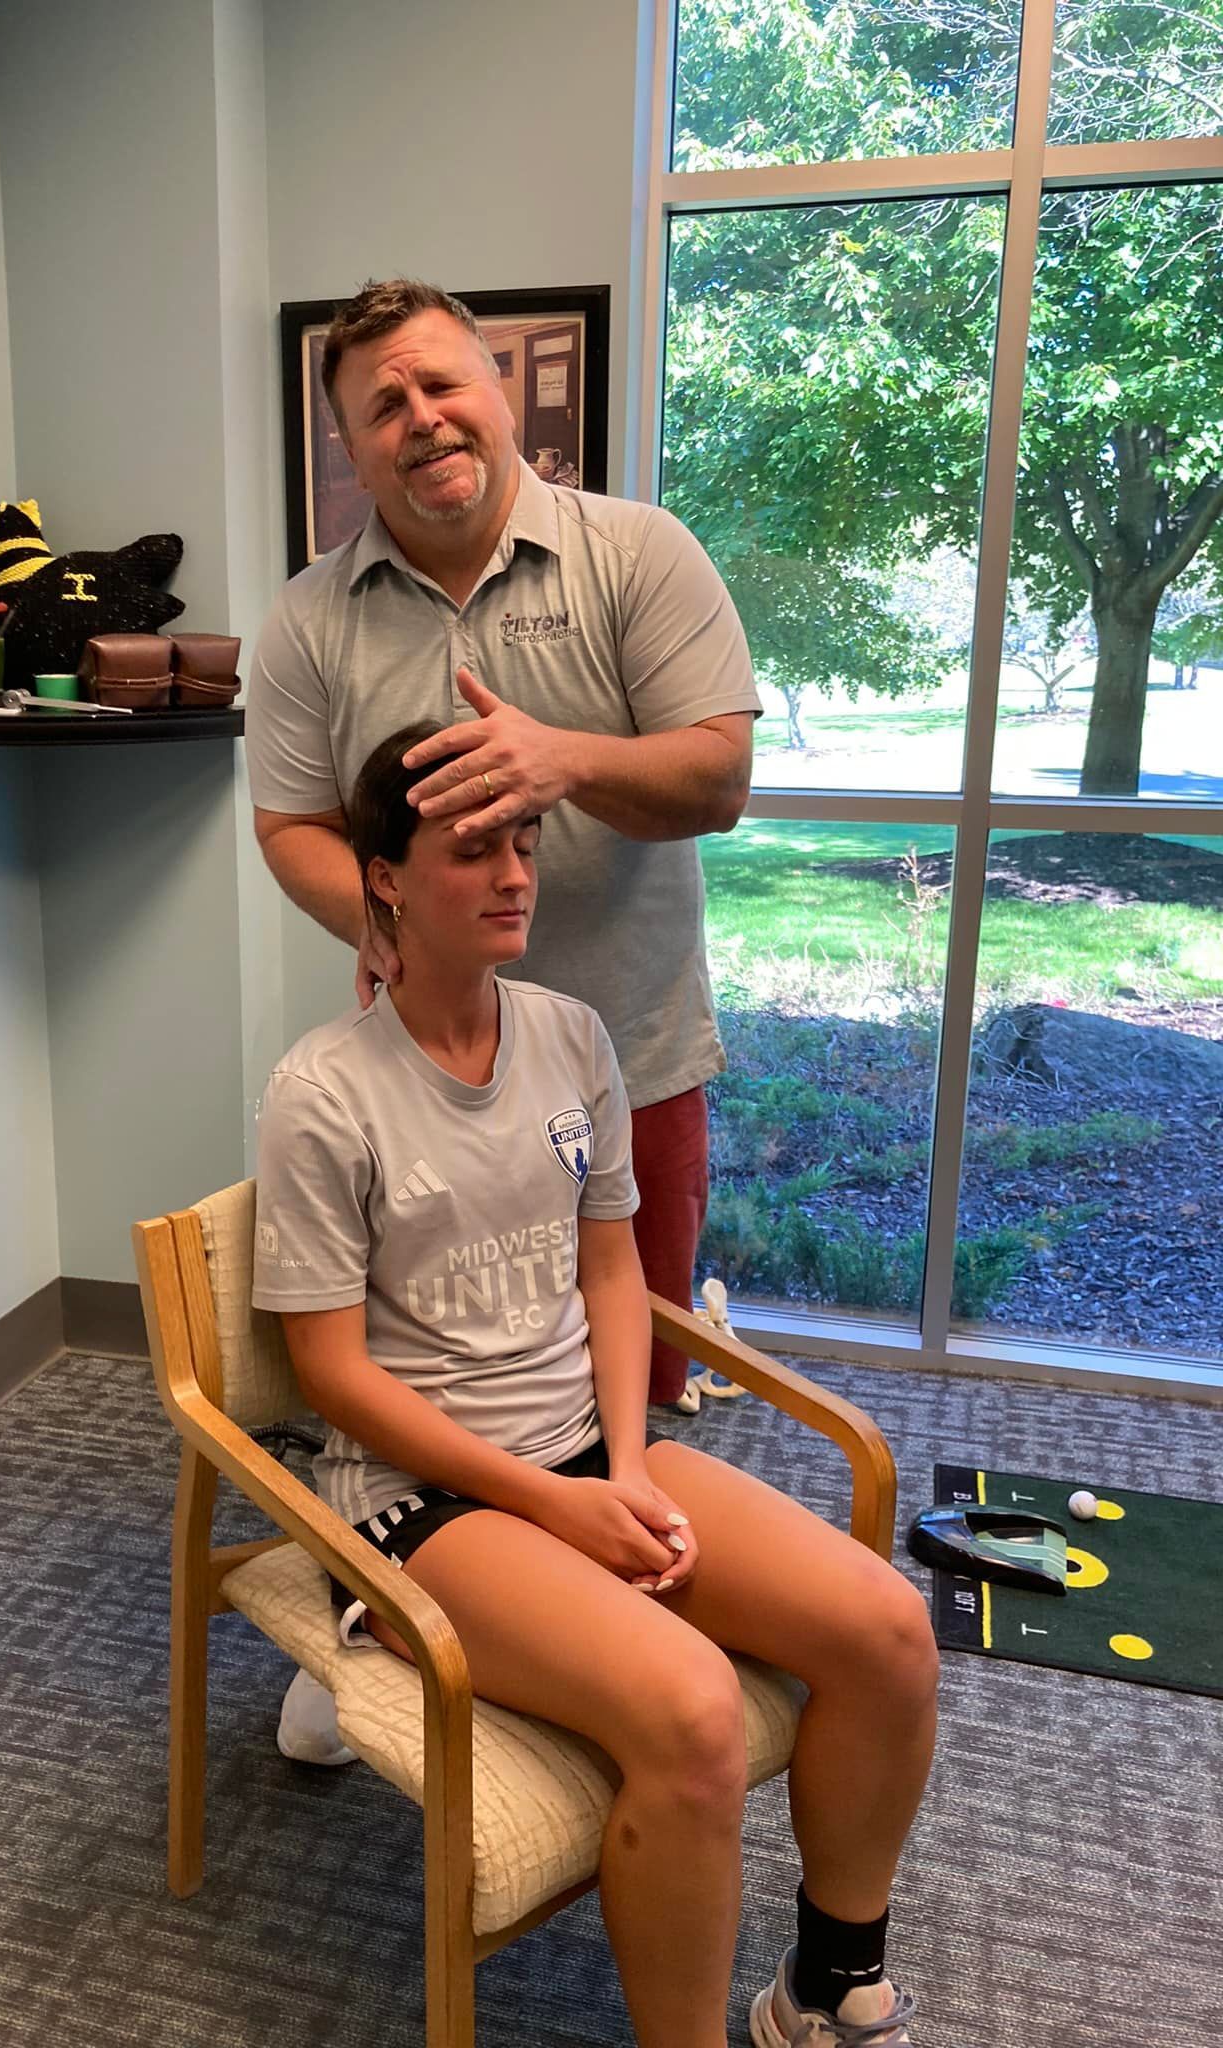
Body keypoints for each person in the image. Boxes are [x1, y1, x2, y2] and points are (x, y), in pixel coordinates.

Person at [252, 726, 938, 2048]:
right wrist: (552, 1507)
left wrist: (620, 1469)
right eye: (473, 849)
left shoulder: (571, 1038)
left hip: (586, 1452)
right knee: (691, 1714)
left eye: (523, 842)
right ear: (385, 878)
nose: (516, 874)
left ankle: (829, 1989)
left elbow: (616, 1276)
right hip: (418, 1510)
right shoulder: (323, 1093)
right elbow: (327, 1372)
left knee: (885, 1630)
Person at [247, 277, 762, 1419]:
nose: (419, 417)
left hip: (628, 1059)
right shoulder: (306, 620)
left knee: (637, 1383)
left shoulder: (637, 553)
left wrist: (563, 762)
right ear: (351, 451)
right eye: (382, 408)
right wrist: (387, 928)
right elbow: (289, 827)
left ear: (498, 389)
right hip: (420, 1084)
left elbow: (721, 777)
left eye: (441, 381)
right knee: (456, 1391)